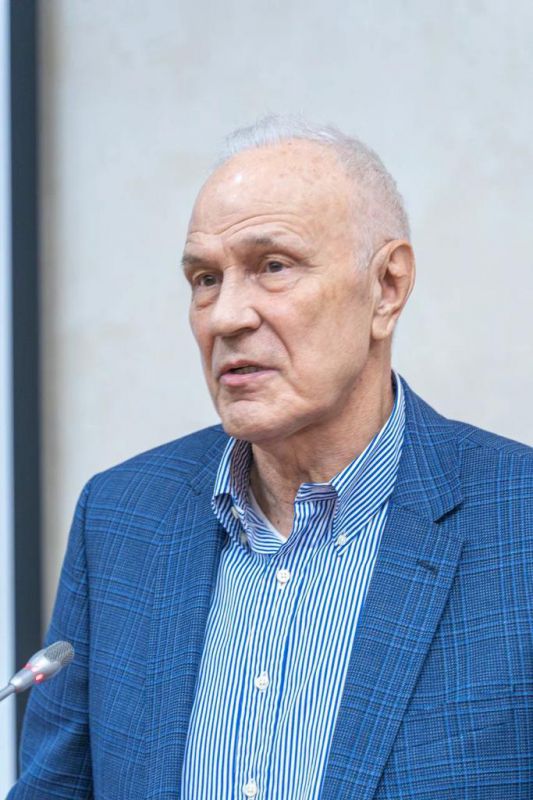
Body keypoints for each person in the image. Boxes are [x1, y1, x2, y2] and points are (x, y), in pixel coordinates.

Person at [9, 116, 532, 799]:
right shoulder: (121, 519)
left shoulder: (517, 522)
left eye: (273, 266)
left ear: (387, 286)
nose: (226, 316)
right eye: (205, 278)